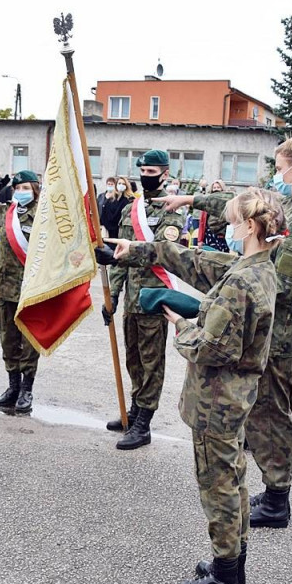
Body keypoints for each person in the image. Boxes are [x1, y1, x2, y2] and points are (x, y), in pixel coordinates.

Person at [105, 188, 286, 584]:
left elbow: (214, 348)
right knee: (234, 481)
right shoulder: (257, 266)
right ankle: (231, 564)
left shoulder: (243, 280)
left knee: (218, 486)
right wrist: (139, 251)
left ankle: (225, 580)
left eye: (233, 219)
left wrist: (180, 324)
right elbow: (197, 261)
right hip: (234, 397)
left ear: (251, 227)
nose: (227, 225)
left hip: (217, 401)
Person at [156, 135, 292, 528]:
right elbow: (246, 207)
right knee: (266, 413)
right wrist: (190, 201)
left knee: (274, 414)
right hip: (273, 331)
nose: (276, 173)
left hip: (280, 337)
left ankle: (278, 497)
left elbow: (285, 286)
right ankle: (274, 489)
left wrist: (234, 288)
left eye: (279, 166)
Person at [103, 150, 185, 449]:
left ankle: (144, 423)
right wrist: (112, 293)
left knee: (151, 362)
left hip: (154, 297)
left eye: (152, 172)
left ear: (164, 174)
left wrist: (121, 258)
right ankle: (135, 408)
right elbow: (119, 258)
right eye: (143, 171)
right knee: (133, 359)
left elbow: (162, 250)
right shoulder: (130, 210)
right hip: (131, 299)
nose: (145, 176)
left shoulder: (172, 211)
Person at [0, 171, 44, 415]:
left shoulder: (45, 216)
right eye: (17, 187)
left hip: (31, 288)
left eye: (25, 187)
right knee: (8, 339)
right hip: (5, 287)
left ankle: (27, 389)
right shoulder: (6, 212)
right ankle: (12, 386)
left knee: (29, 342)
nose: (20, 191)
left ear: (35, 189)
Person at [102, 176, 134, 240]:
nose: (121, 185)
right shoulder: (110, 200)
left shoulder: (129, 201)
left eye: (123, 184)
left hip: (121, 232)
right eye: (119, 183)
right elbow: (104, 214)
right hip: (108, 232)